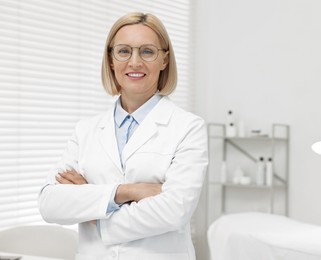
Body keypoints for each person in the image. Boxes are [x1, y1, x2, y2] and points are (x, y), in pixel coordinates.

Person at [38, 12, 208, 260]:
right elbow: (50, 204)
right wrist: (127, 191)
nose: (135, 62)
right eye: (124, 51)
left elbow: (174, 210)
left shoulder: (188, 127)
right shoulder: (85, 130)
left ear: (164, 60)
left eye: (147, 51)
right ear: (111, 60)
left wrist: (93, 211)